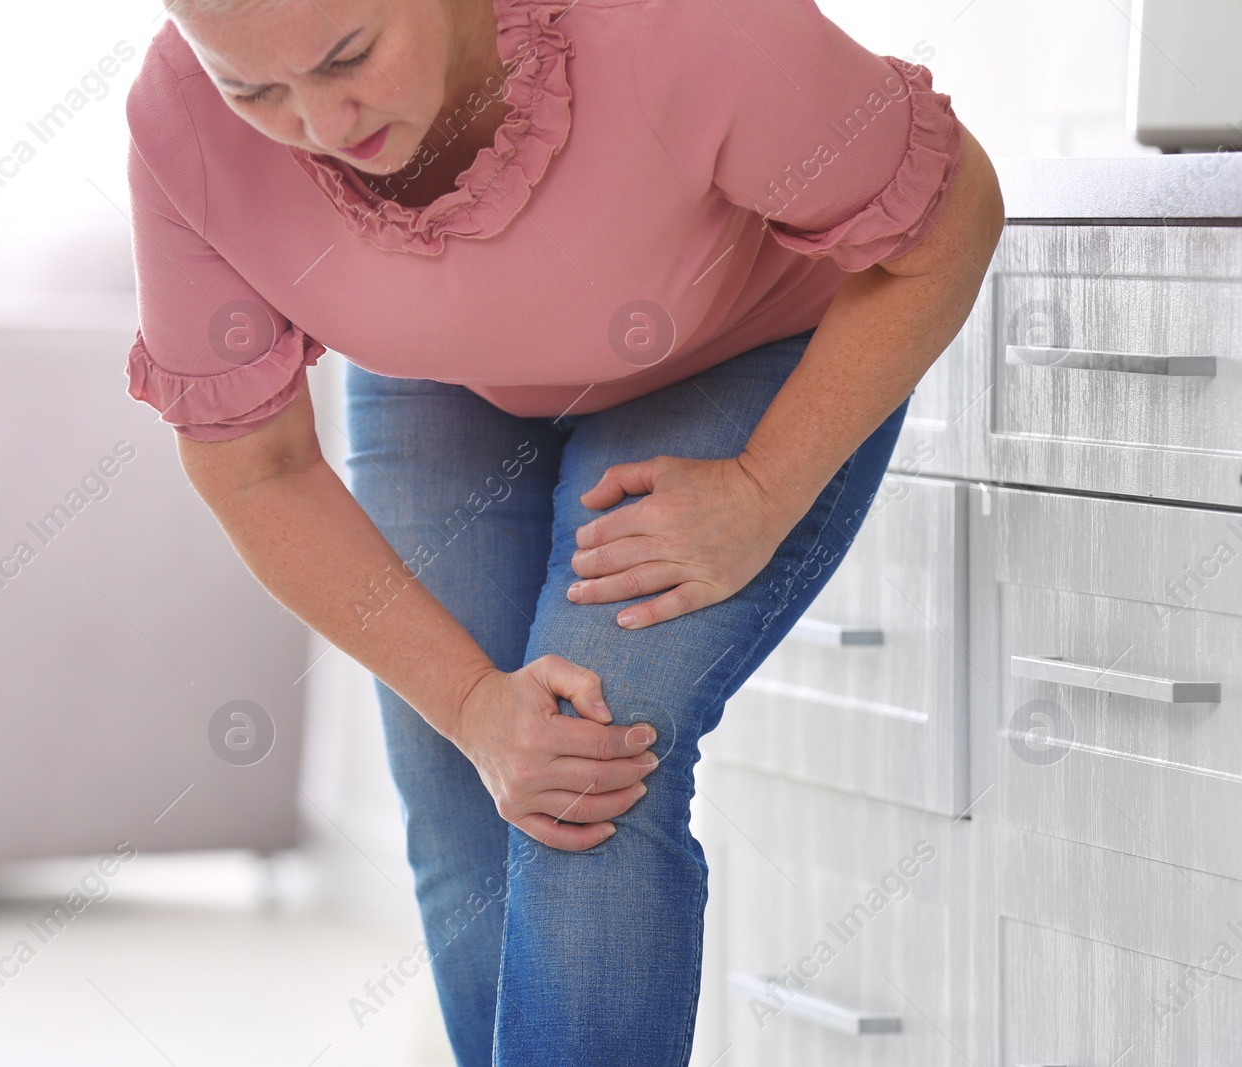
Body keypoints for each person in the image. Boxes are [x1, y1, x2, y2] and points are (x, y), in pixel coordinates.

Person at [122, 0, 1004, 1060]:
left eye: (348, 56)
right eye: (253, 91)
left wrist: (766, 487)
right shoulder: (178, 120)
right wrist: (465, 701)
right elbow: (251, 463)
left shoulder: (676, 25)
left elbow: (950, 214)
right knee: (473, 770)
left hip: (735, 343)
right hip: (446, 375)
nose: (320, 121)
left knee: (587, 762)